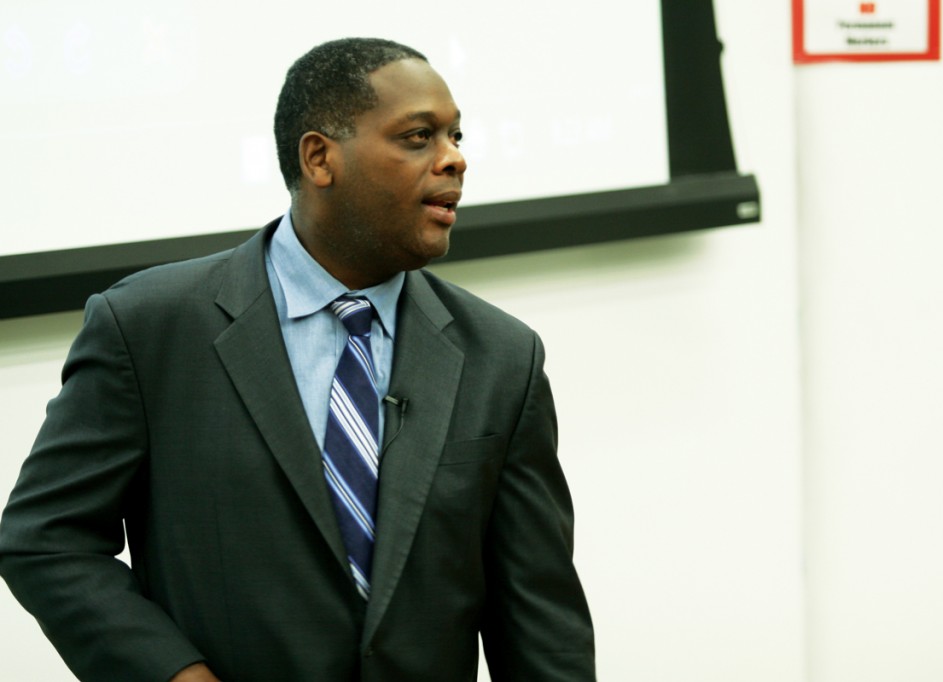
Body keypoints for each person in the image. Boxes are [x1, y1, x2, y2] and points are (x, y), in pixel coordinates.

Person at [0, 38, 595, 681]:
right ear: (319, 158)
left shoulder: (502, 356)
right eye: (419, 136)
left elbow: (540, 618)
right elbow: (45, 538)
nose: (454, 159)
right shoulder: (149, 327)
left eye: (456, 135)